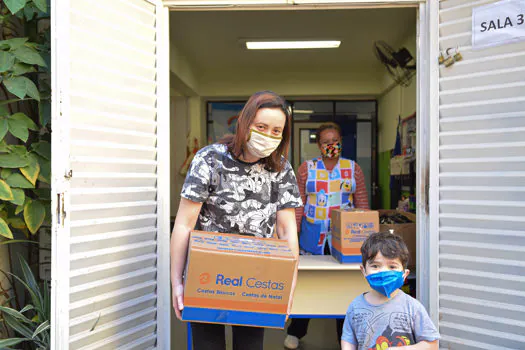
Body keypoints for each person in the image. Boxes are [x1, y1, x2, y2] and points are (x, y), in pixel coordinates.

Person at [170, 91, 302, 350]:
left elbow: (287, 231)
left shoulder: (281, 168)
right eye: (261, 127)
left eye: (277, 131)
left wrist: (289, 286)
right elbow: (184, 224)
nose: (268, 135)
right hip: (207, 273)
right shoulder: (210, 159)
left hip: (257, 277)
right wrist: (177, 282)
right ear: (245, 123)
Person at [284, 122, 369, 349]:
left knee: (345, 288)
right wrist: (294, 233)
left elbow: (362, 204)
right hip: (313, 235)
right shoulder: (306, 168)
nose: (331, 145)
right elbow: (299, 204)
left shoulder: (353, 169)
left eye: (335, 141)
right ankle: (296, 331)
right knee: (308, 284)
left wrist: (366, 237)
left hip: (345, 238)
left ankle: (345, 337)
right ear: (318, 145)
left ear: (341, 141)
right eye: (325, 142)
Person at [341, 232, 440, 350]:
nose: (383, 272)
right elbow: (348, 340)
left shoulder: (413, 307)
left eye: (392, 267)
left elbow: (432, 345)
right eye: (375, 266)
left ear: (404, 274)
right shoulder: (355, 307)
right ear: (363, 271)